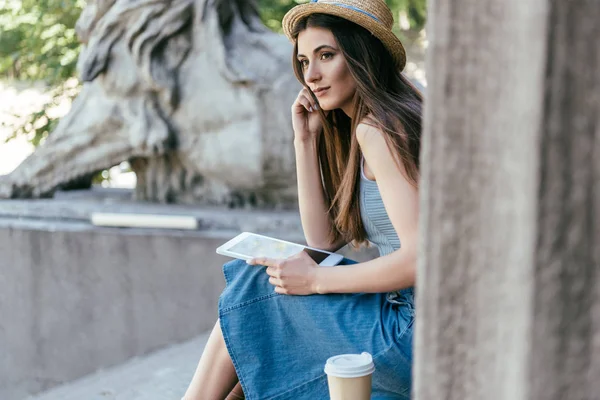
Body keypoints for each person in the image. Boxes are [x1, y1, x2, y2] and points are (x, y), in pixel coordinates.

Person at [183, 0, 422, 398]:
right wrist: (305, 139)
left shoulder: (378, 128)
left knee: (256, 286)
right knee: (258, 318)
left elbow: (420, 259)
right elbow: (325, 238)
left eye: (326, 56)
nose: (311, 75)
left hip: (414, 331)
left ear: (361, 55)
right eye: (304, 60)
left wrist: (315, 280)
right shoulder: (385, 118)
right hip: (409, 317)